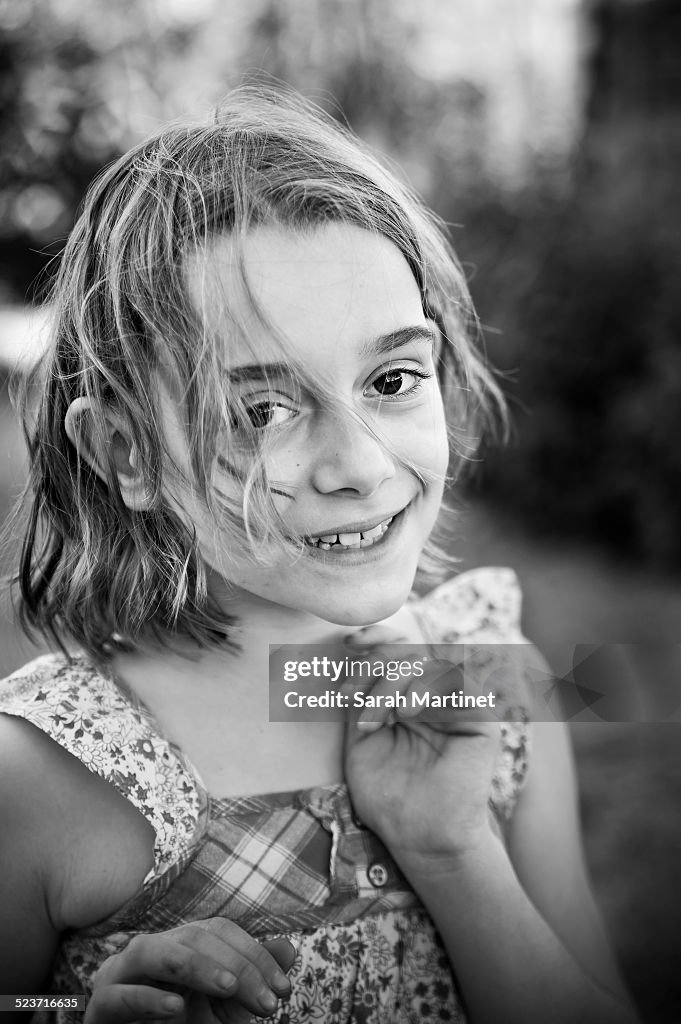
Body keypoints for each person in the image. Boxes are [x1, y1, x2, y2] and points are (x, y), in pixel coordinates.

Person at [0, 84, 638, 1024]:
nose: (359, 463)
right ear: (127, 454)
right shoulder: (40, 778)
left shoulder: (491, 688)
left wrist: (454, 852)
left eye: (390, 378)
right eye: (261, 410)